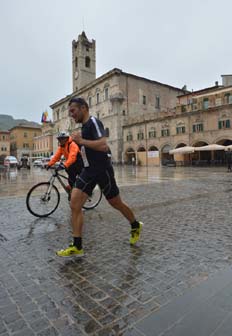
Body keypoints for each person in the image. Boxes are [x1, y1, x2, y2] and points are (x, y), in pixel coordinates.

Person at [56, 97, 143, 257]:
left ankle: (135, 224)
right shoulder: (83, 127)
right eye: (69, 112)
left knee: (115, 203)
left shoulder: (94, 122)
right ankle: (77, 245)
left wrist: (81, 140)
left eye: (73, 111)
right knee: (75, 203)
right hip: (88, 171)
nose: (71, 115)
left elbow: (103, 145)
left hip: (102, 170)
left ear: (83, 108)